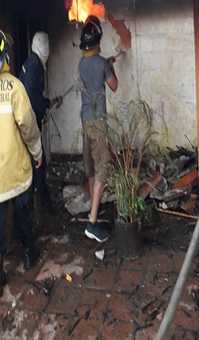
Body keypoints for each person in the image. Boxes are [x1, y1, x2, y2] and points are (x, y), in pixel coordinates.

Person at [0, 30, 41, 292]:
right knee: (22, 211)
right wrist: (37, 152)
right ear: (5, 56)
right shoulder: (15, 87)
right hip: (16, 169)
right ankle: (28, 255)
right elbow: (27, 124)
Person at [78, 16, 118, 242]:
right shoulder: (102, 63)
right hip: (98, 124)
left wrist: (106, 64)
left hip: (84, 123)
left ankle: (93, 209)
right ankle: (92, 225)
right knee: (103, 169)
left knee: (91, 171)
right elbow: (114, 86)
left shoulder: (81, 63)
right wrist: (110, 66)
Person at [18, 32, 57, 212]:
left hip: (29, 123)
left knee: (36, 165)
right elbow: (31, 99)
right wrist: (44, 105)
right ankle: (45, 207)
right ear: (45, 47)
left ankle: (38, 203)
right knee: (38, 165)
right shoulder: (35, 66)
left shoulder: (31, 63)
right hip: (30, 125)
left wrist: (45, 103)